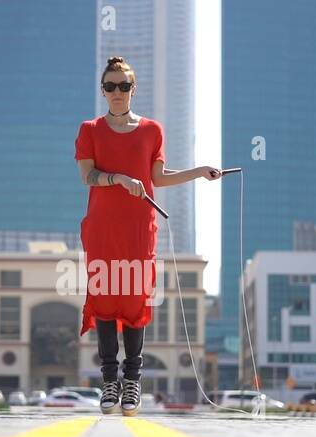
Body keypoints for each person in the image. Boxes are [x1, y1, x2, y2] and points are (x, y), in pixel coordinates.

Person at [74, 55, 220, 416]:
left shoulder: (152, 130)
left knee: (136, 302)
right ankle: (110, 383)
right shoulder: (90, 130)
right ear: (103, 90)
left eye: (124, 85)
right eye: (111, 86)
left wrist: (199, 171)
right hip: (103, 227)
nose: (118, 92)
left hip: (140, 228)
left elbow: (158, 177)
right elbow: (88, 177)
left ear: (133, 89)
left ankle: (132, 384)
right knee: (106, 300)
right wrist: (120, 179)